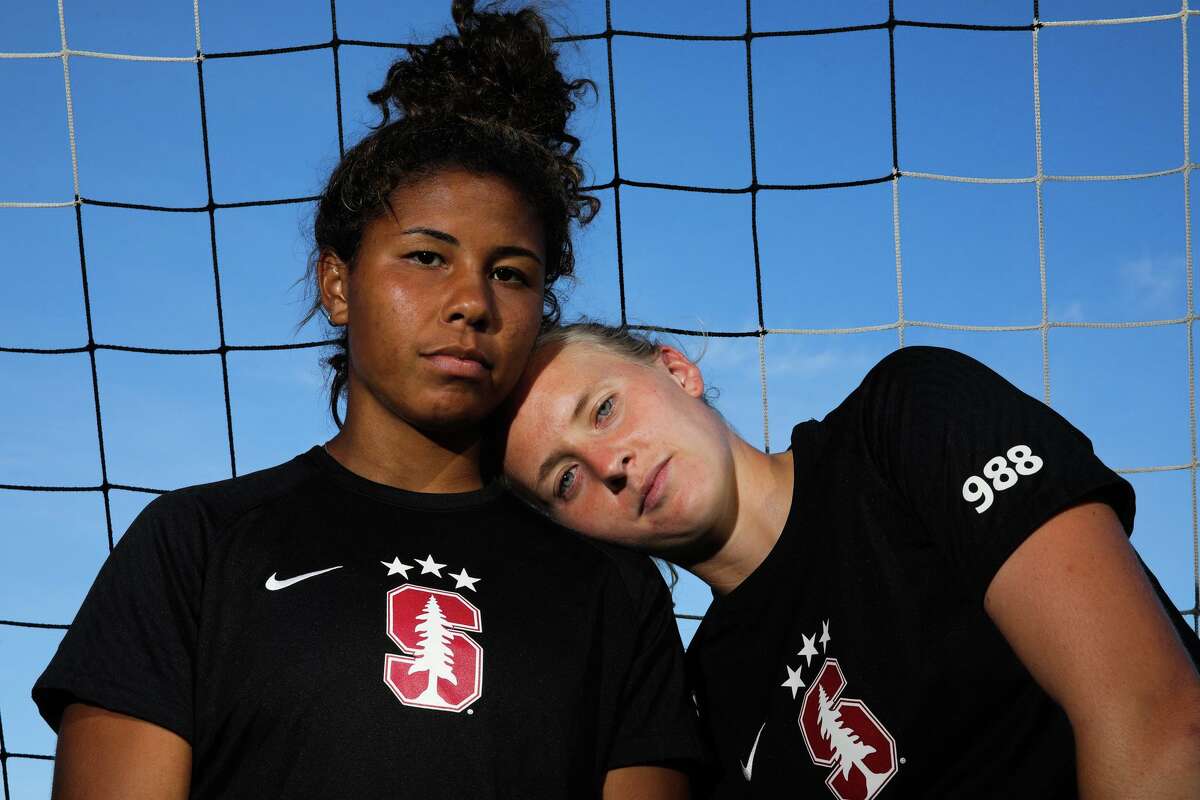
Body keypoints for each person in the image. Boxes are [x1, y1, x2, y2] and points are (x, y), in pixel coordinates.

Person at [31, 6, 701, 798]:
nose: (470, 302)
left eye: (511, 272)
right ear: (338, 284)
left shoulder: (611, 589)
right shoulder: (198, 547)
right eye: (426, 257)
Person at [501, 322, 1200, 799]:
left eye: (604, 409)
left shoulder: (905, 422)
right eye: (564, 480)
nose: (607, 463)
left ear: (677, 370)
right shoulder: (704, 709)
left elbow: (1156, 719)